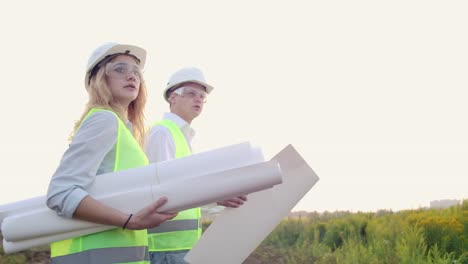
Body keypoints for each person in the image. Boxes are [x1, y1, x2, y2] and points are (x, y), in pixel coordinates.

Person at [46, 42, 177, 264]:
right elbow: (61, 192)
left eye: (137, 72)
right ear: (98, 79)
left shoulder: (126, 132)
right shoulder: (104, 120)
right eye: (119, 69)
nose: (132, 76)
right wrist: (129, 221)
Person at [145, 67, 247, 264]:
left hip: (180, 248)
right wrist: (216, 197)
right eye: (191, 93)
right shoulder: (162, 134)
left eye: (202, 96)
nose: (198, 99)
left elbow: (187, 199)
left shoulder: (183, 138)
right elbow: (165, 194)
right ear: (173, 98)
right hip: (165, 249)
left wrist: (218, 200)